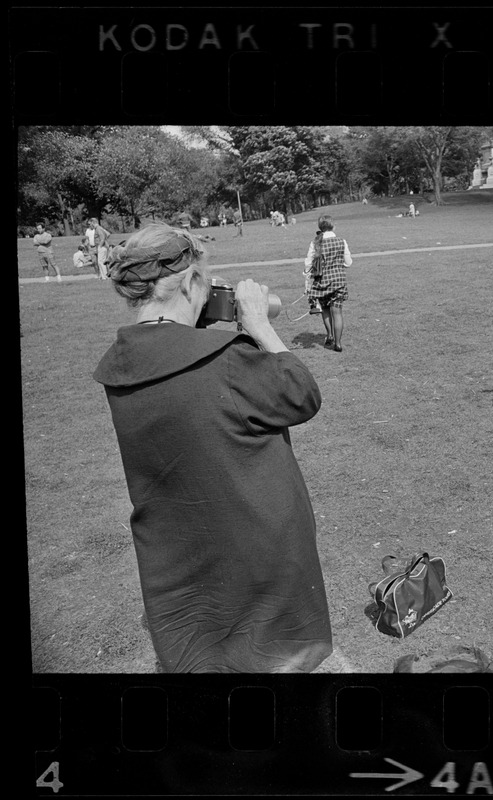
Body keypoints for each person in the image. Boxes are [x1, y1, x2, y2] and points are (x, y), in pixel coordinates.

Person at [92, 223, 332, 673]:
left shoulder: (119, 363)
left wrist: (195, 324)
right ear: (188, 281)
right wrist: (258, 324)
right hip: (258, 554)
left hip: (179, 555)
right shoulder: (223, 356)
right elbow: (301, 394)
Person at [304, 214, 353, 351]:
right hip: (338, 281)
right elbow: (348, 263)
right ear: (333, 226)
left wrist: (307, 283)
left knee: (325, 310)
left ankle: (330, 336)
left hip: (322, 283)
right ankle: (338, 343)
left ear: (320, 227)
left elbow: (308, 265)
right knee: (337, 312)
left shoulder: (315, 243)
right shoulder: (342, 241)